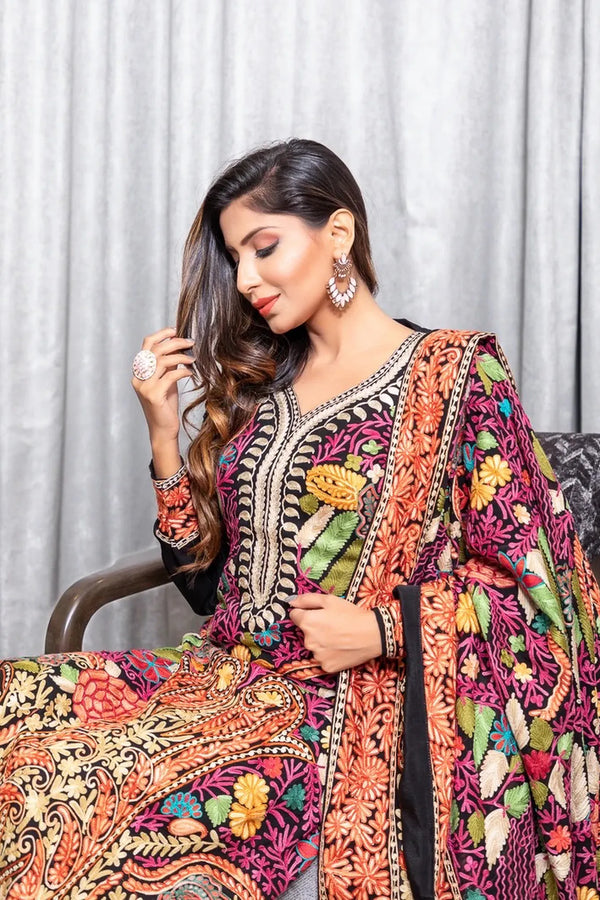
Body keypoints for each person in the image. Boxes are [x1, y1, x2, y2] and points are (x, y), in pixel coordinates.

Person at [0, 139, 598, 900]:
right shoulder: (265, 393)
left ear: (338, 235)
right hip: (220, 682)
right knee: (20, 714)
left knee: (127, 839)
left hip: (342, 716)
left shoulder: (454, 374)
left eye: (264, 247)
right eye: (235, 256)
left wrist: (387, 629)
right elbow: (205, 587)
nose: (246, 279)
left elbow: (539, 589)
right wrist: (160, 434)